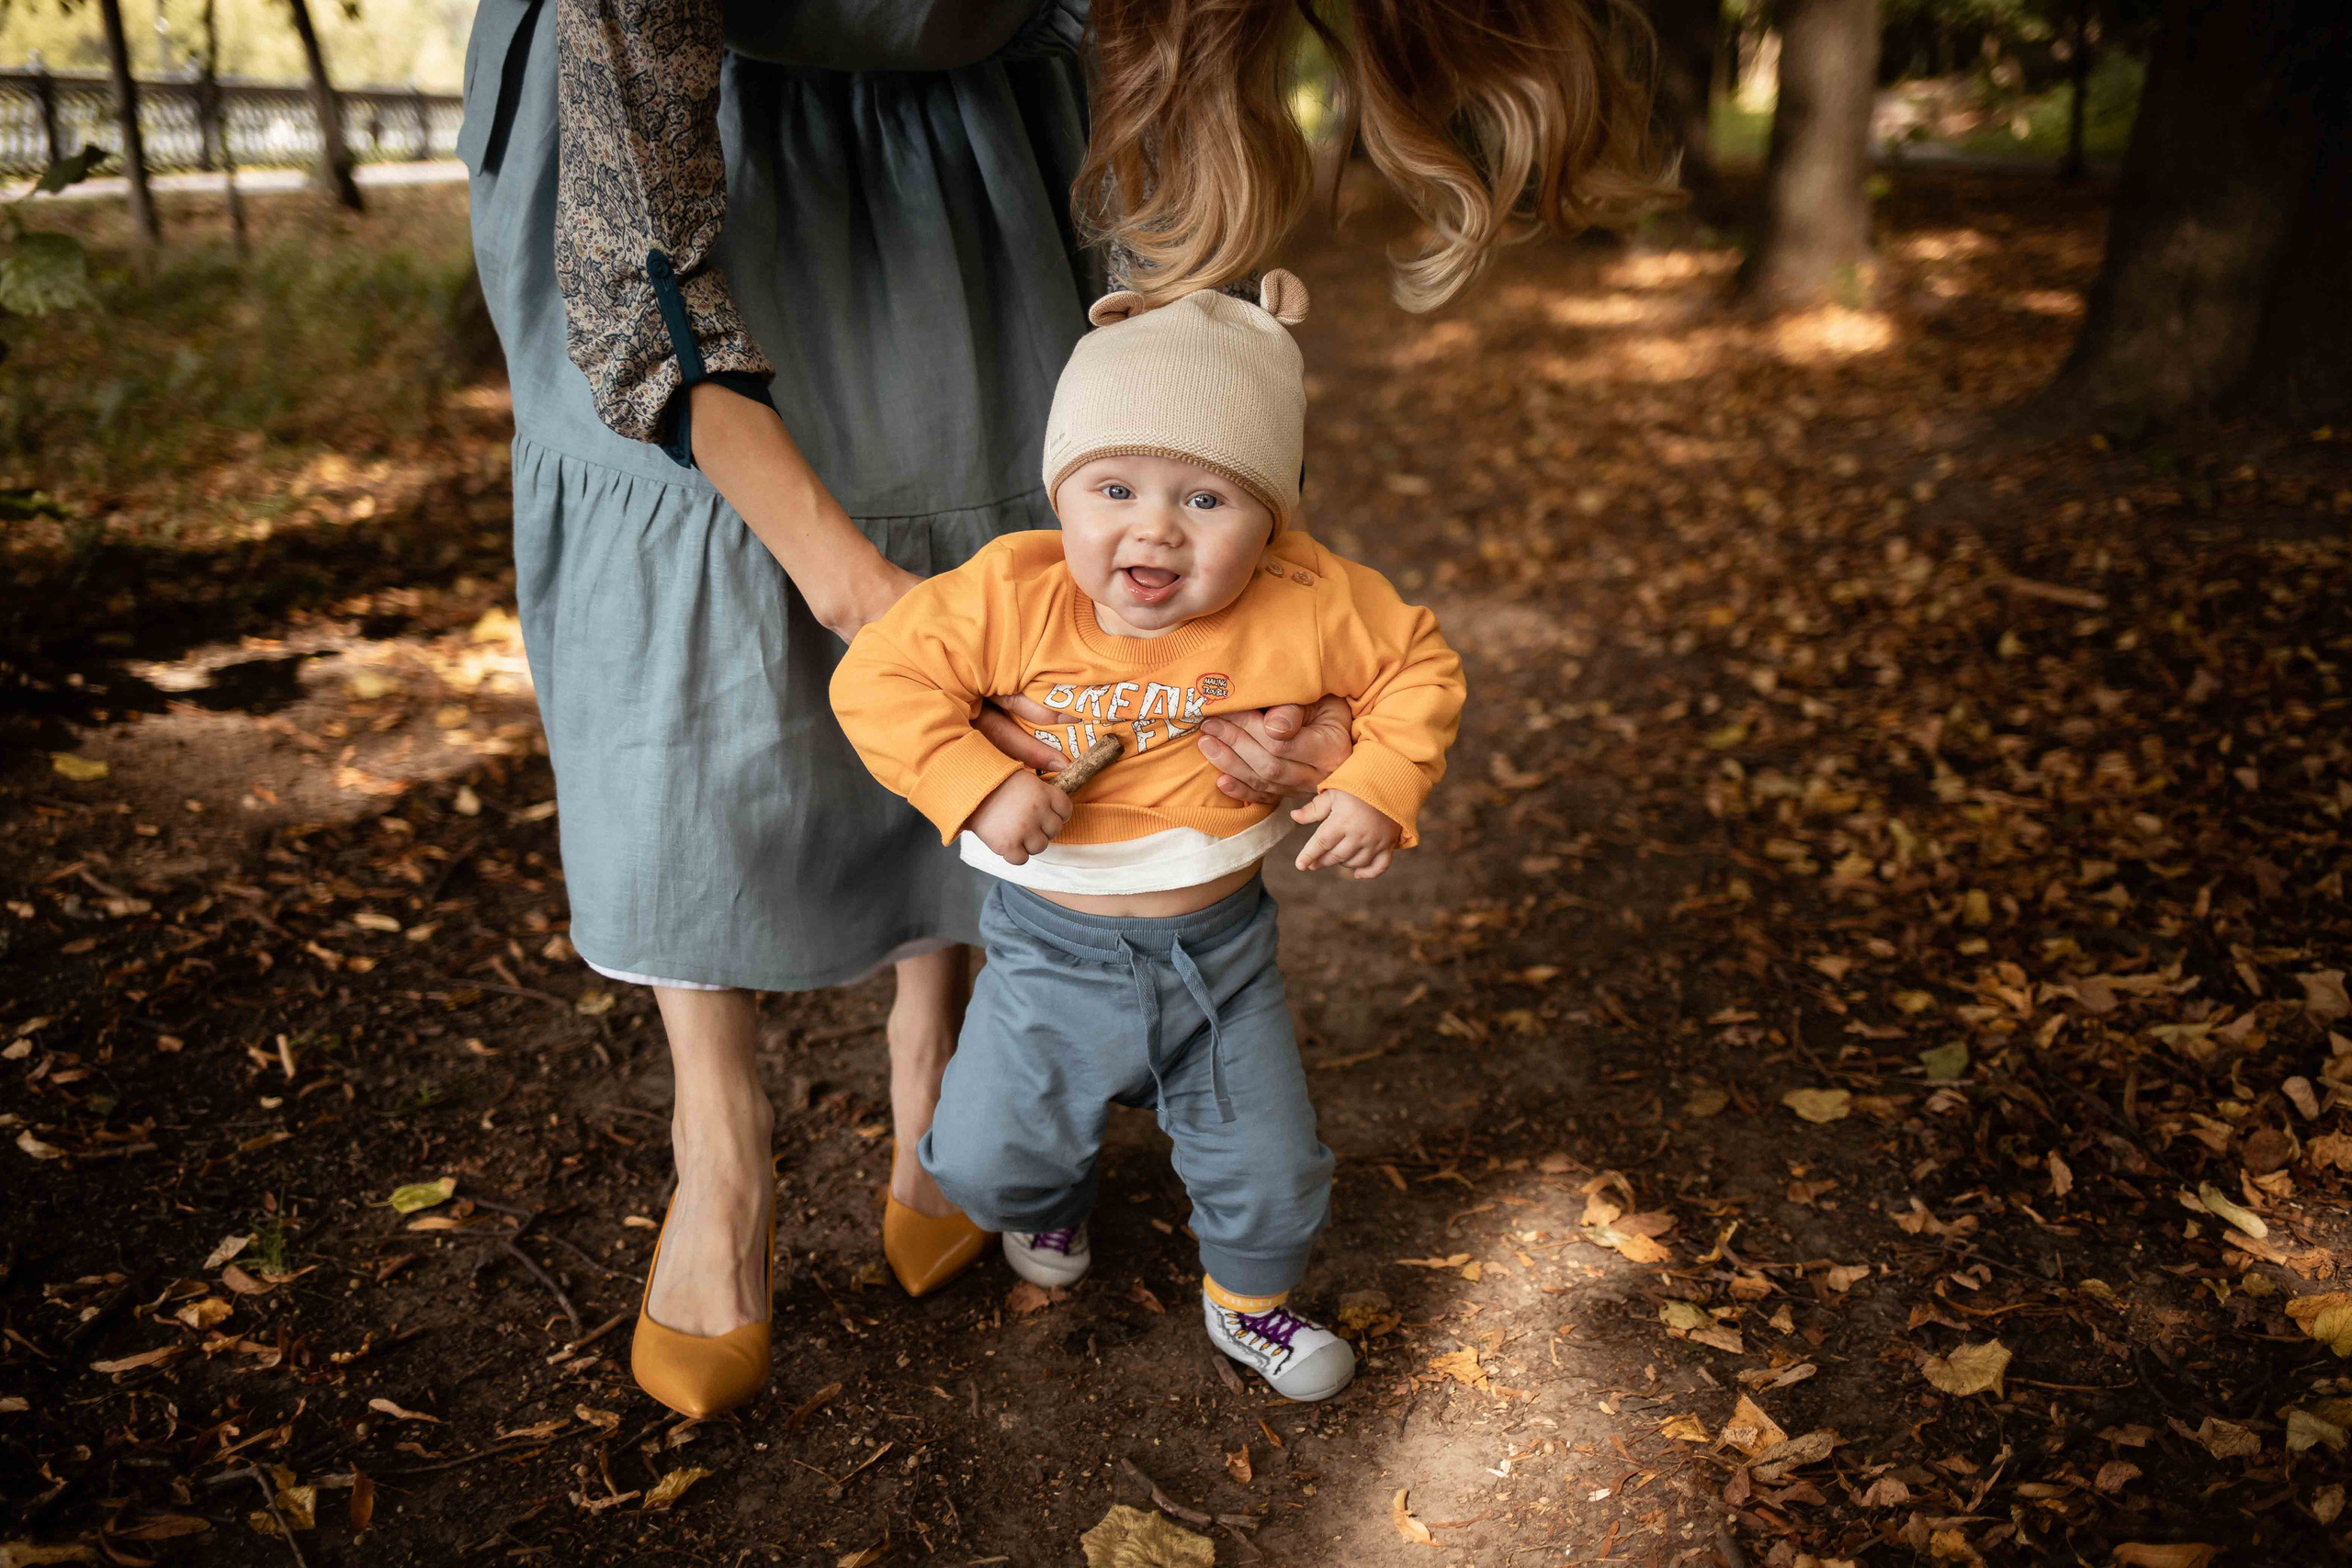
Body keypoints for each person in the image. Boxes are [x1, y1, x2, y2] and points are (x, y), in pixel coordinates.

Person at [460, 0, 1657, 1418]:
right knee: (694, 644)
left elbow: (1224, 404)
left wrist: (1324, 712)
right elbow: (643, 284)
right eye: (1128, 495)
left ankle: (937, 1053)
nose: (1153, 530)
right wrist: (872, 610)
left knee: (995, 524)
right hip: (690, 159)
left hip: (967, 146)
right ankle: (717, 1138)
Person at [831, 270, 1465, 1399]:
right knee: (985, 1161)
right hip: (1045, 949)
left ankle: (1250, 1304)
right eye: (1113, 487)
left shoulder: (1306, 597)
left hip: (1218, 958)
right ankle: (1047, 1199)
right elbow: (877, 676)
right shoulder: (1010, 594)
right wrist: (977, 781)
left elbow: (1416, 664)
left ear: (1272, 521)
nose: (1155, 528)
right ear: (1060, 498)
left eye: (1207, 499)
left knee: (1270, 1167)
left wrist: (1378, 779)